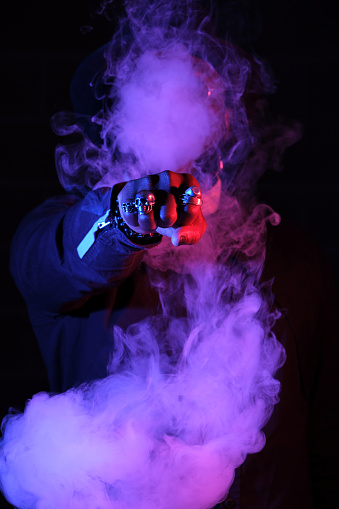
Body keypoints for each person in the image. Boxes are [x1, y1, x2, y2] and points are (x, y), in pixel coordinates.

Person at [6, 9, 339, 509]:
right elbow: (68, 257)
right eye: (157, 100)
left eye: (202, 98)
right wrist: (128, 216)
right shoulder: (55, 231)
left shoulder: (291, 252)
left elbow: (326, 442)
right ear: (112, 134)